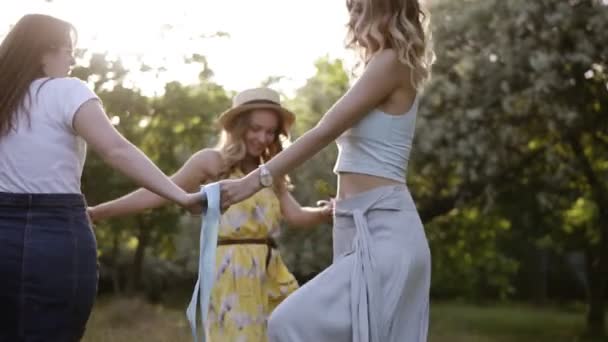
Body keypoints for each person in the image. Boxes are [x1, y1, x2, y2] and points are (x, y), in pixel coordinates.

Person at [218, 0, 435, 340]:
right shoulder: (378, 65)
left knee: (287, 322)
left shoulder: (393, 61)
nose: (351, 14)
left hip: (386, 228)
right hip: (354, 226)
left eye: (358, 5)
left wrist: (254, 181)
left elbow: (324, 130)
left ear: (382, 8)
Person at [0, 14, 201, 341]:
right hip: (55, 237)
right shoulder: (67, 91)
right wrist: (181, 195)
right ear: (43, 51)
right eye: (68, 49)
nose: (73, 59)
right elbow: (117, 150)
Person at [88, 87, 333, 341]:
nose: (262, 138)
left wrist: (328, 212)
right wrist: (97, 212)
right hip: (232, 273)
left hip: (271, 271)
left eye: (270, 132)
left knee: (295, 332)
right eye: (255, 128)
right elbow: (159, 192)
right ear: (238, 127)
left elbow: (296, 215)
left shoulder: (270, 173)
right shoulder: (213, 163)